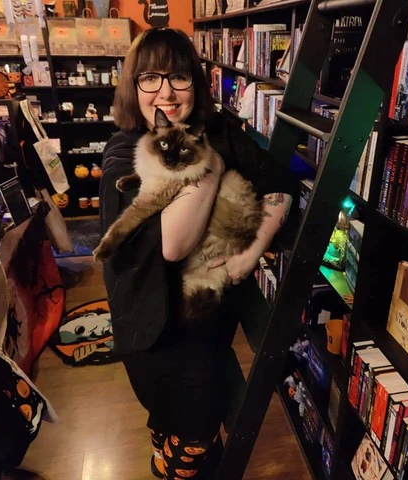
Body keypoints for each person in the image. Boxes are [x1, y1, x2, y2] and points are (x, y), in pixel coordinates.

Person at [99, 27, 294, 479]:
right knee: (184, 441)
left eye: (178, 77)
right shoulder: (123, 152)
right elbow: (173, 245)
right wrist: (211, 167)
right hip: (154, 334)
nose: (165, 91)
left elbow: (280, 186)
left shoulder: (221, 129)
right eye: (150, 78)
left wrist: (254, 251)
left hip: (205, 327)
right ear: (133, 86)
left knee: (191, 441)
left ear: (196, 82)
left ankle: (167, 463)